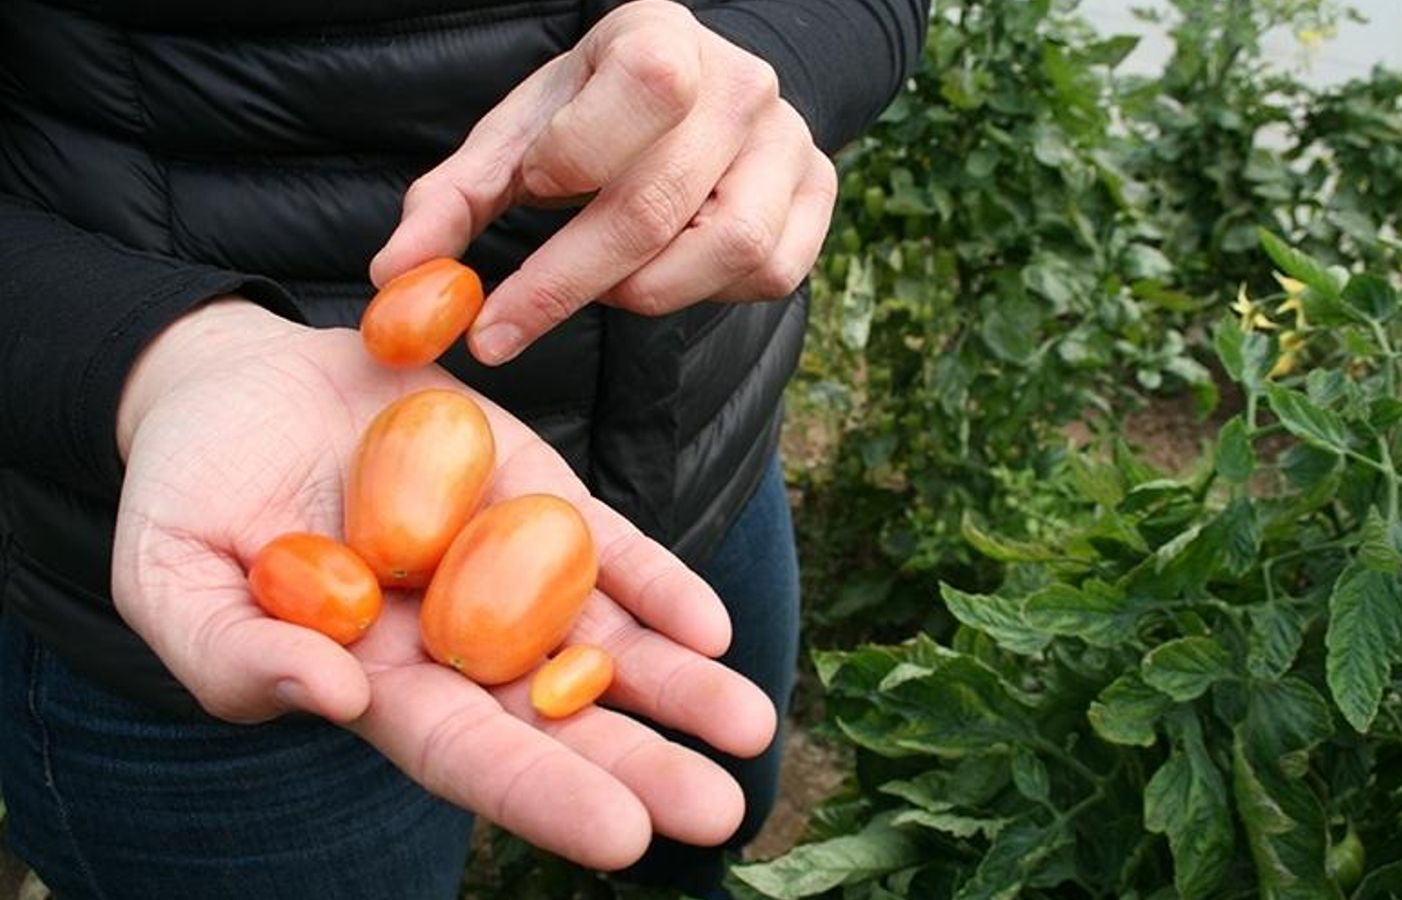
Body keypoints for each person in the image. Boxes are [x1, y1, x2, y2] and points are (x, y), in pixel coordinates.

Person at [0, 1, 928, 897]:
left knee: (704, 819)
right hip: (141, 559)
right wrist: (141, 349)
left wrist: (769, 62)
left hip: (704, 447)